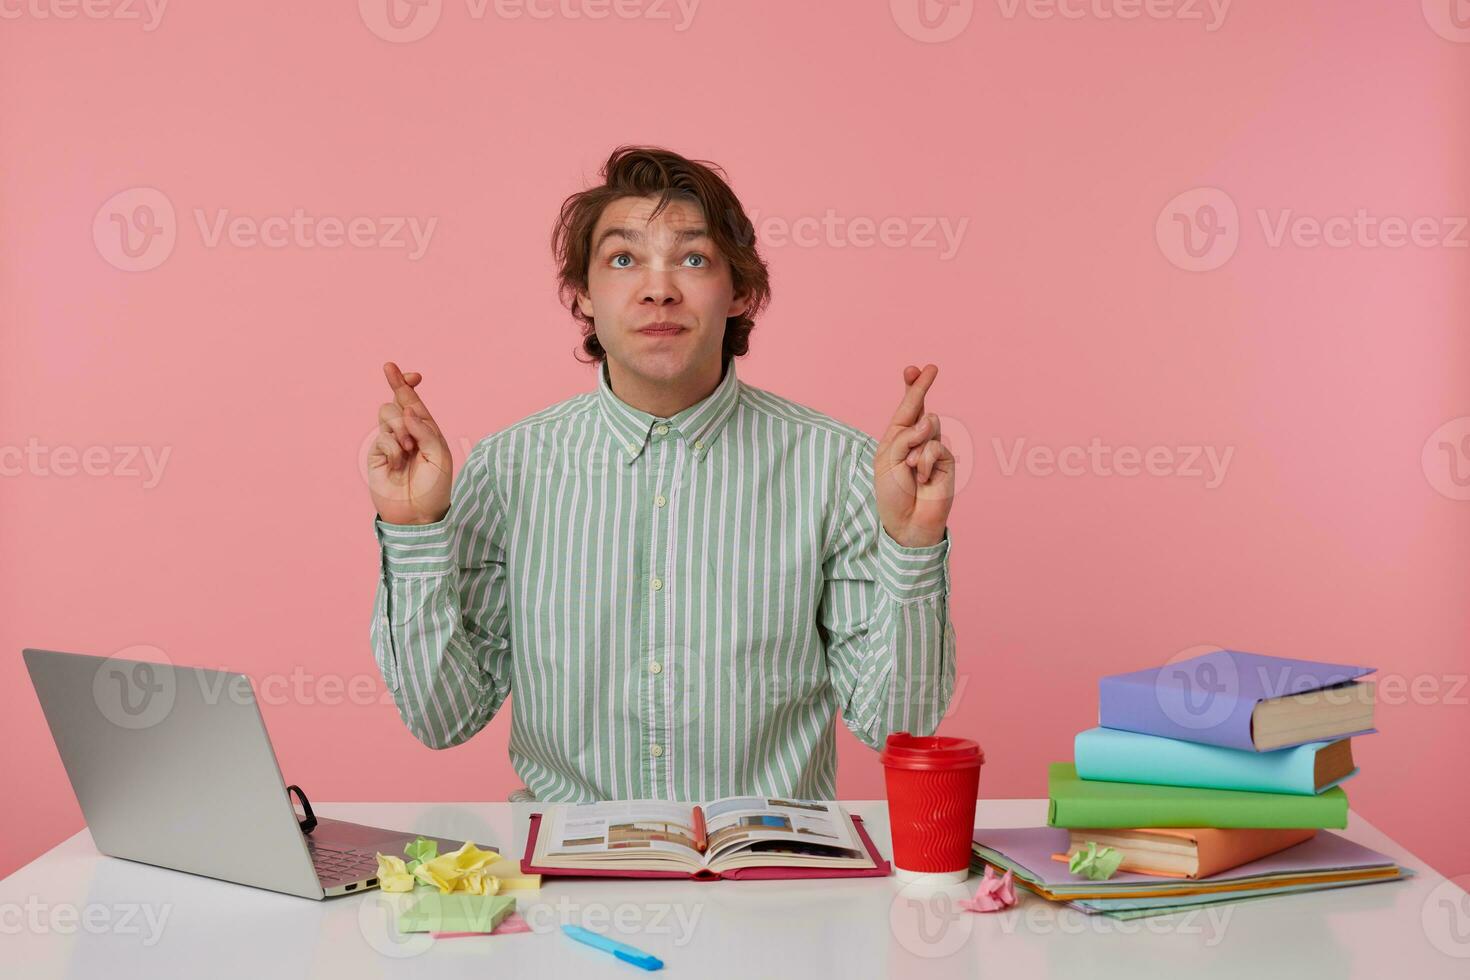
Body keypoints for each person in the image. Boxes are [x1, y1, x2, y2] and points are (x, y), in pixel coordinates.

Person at [367, 145, 957, 802]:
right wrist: (413, 530)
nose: (658, 288)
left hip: (770, 880)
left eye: (693, 259)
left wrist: (914, 546)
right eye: (624, 259)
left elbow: (898, 728)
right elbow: (442, 718)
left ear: (740, 292)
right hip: (568, 868)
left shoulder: (836, 465)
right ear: (583, 296)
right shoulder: (510, 467)